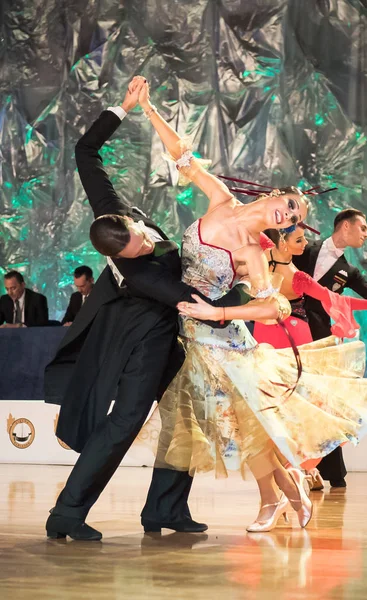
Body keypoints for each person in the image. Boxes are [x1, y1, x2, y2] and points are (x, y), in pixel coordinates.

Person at [132, 75, 367, 533]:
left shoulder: (255, 250)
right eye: (290, 206)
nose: (290, 215)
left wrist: (217, 313)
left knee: (242, 426)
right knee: (236, 428)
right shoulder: (221, 200)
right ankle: (285, 494)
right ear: (274, 194)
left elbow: (274, 308)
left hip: (221, 340)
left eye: (295, 218)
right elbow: (184, 157)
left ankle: (276, 498)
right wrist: (148, 109)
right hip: (191, 337)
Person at [44, 77, 269, 541]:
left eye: (143, 235)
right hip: (144, 340)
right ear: (121, 258)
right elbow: (196, 301)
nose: (147, 242)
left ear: (125, 221)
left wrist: (123, 108)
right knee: (126, 421)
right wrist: (250, 292)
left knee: (184, 418)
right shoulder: (144, 275)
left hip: (176, 338)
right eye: (138, 248)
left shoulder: (111, 213)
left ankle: (165, 509)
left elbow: (85, 153)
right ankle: (66, 513)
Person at [292, 208, 367, 488]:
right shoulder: (302, 246)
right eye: (364, 228)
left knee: (322, 400)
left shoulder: (349, 270)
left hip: (319, 337)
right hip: (288, 327)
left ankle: (331, 471)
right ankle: (299, 470)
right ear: (346, 226)